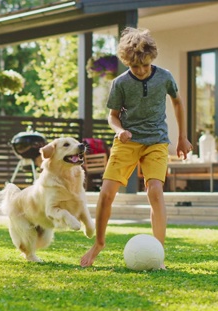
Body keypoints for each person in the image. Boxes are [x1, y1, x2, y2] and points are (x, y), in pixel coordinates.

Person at [80, 27, 192, 269]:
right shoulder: (120, 83)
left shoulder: (164, 76)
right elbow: (112, 116)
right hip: (127, 142)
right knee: (106, 193)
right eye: (135, 67)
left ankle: (158, 253)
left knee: (155, 191)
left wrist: (182, 137)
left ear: (151, 58)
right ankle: (99, 243)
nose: (141, 71)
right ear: (126, 62)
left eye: (145, 65)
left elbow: (178, 102)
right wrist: (119, 131)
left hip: (156, 141)